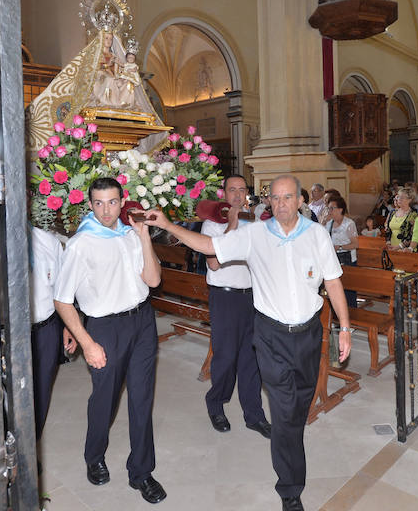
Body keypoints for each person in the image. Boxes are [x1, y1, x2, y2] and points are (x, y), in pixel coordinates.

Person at [145, 175, 352, 511]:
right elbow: (210, 247)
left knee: (299, 406)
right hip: (270, 335)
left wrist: (344, 327)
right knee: (284, 411)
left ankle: (289, 441)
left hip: (309, 334)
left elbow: (334, 281)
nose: (282, 203)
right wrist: (169, 224)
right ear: (269, 201)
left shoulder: (316, 235)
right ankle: (290, 490)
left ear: (300, 201)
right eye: (276, 198)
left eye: (288, 197)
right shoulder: (254, 234)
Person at [52, 177, 167, 504]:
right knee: (105, 398)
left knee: (142, 399)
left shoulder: (130, 234)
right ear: (89, 204)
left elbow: (154, 279)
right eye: (99, 203)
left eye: (112, 202)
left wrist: (144, 237)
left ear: (122, 201)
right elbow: (62, 300)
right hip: (104, 328)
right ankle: (94, 455)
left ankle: (142, 472)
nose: (106, 210)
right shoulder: (81, 243)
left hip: (143, 322)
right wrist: (87, 342)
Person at [200, 175, 271, 437]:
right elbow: (215, 264)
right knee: (226, 356)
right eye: (233, 190)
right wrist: (231, 223)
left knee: (252, 358)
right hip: (225, 297)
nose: (238, 195)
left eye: (242, 190)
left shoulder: (254, 225)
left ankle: (254, 415)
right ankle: (216, 404)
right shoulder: (211, 226)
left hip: (252, 297)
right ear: (224, 194)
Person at [29, 226, 73, 442]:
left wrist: (68, 325)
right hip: (4, 333)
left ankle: (29, 447)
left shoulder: (47, 241)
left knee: (41, 391)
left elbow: (61, 289)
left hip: (45, 329)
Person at [325, 194, 359, 308]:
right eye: (328, 208)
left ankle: (352, 315)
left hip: (348, 259)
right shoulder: (329, 224)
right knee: (335, 288)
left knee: (348, 289)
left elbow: (355, 244)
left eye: (332, 208)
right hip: (334, 260)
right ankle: (336, 315)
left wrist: (339, 247)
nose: (329, 211)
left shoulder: (349, 224)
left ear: (340, 209)